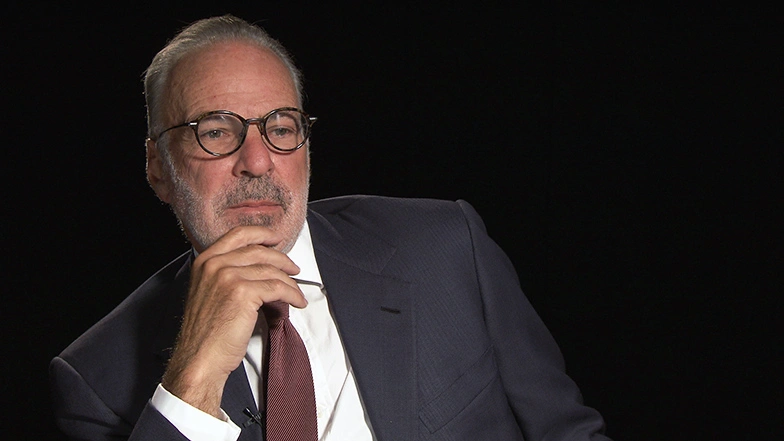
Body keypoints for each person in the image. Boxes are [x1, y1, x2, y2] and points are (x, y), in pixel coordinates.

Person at [50, 14, 611, 441]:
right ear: (157, 167)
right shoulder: (94, 381)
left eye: (280, 126)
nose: (258, 160)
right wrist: (192, 379)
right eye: (217, 132)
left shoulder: (445, 246)